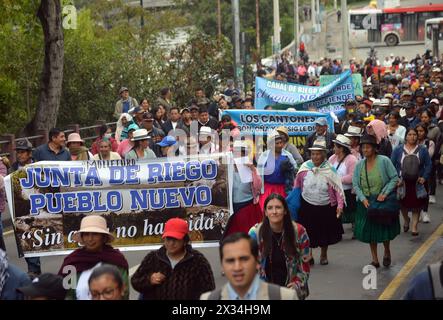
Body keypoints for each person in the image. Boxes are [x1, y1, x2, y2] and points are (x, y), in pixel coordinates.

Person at [131, 218, 215, 300]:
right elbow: (135, 281)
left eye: (175, 239)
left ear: (185, 240)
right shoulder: (153, 257)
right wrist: (149, 279)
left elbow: (209, 290)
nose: (171, 243)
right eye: (168, 239)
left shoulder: (198, 260)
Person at [200, 233, 298, 300]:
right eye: (230, 261)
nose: (237, 267)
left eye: (244, 259)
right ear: (222, 266)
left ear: (257, 261)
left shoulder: (285, 297)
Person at [248, 193, 310, 299]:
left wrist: (297, 283)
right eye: (270, 208)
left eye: (278, 207)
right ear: (266, 212)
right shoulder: (255, 233)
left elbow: (305, 263)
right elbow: (249, 265)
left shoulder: (299, 231)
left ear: (285, 211)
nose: (274, 211)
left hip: (291, 290)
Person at [352, 135, 400, 268]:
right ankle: (375, 259)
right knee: (370, 232)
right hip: (366, 203)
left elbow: (394, 178)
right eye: (363, 147)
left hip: (382, 202)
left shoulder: (384, 161)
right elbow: (355, 183)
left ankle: (387, 251)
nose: (365, 150)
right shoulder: (359, 164)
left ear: (374, 149)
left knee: (384, 230)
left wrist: (384, 193)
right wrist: (362, 198)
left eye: (368, 147)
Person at [295, 140, 345, 265]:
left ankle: (323, 254)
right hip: (307, 205)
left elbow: (338, 189)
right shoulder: (305, 168)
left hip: (325, 206)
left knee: (324, 233)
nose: (315, 157)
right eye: (313, 154)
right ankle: (309, 254)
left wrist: (340, 206)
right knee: (308, 232)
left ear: (324, 155)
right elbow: (296, 186)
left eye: (318, 154)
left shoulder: (330, 170)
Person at [58, 215, 129, 300]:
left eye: (95, 234)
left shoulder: (116, 260)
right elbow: (67, 294)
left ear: (103, 237)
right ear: (82, 237)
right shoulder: (71, 262)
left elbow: (124, 293)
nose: (90, 239)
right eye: (86, 234)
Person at [391, 128, 432, 236]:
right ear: (406, 136)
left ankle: (414, 226)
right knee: (403, 205)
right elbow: (392, 165)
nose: (412, 136)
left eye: (414, 134)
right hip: (402, 182)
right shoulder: (398, 150)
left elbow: (428, 165)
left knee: (417, 205)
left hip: (417, 182)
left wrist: (424, 177)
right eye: (409, 134)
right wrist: (396, 179)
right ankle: (406, 220)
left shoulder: (422, 150)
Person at [224, 140, 263, 237]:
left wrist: (253, 170)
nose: (237, 155)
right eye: (234, 152)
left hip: (247, 205)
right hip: (232, 207)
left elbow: (258, 187)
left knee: (248, 234)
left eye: (239, 152)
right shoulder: (226, 168)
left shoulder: (251, 168)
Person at [257, 132, 297, 211]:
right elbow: (259, 173)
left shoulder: (287, 155)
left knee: (281, 211)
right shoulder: (264, 156)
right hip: (267, 189)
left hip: (283, 189)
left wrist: (290, 168)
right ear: (271, 145)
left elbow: (295, 169)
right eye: (277, 143)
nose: (280, 145)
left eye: (281, 142)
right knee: (267, 211)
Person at [329, 135, 358, 238]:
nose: (334, 148)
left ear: (341, 148)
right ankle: (338, 232)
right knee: (336, 212)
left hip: (347, 190)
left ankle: (356, 229)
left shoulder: (352, 159)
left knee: (351, 211)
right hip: (335, 191)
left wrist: (337, 180)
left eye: (335, 146)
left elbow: (352, 176)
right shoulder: (332, 158)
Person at [420, 109, 441, 205]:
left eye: (426, 117)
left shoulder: (435, 129)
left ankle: (432, 194)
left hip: (432, 154)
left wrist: (437, 157)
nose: (424, 119)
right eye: (422, 117)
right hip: (421, 154)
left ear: (430, 118)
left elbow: (438, 143)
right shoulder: (418, 127)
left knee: (431, 174)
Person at [416, 123, 435, 223]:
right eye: (417, 131)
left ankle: (425, 211)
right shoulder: (411, 143)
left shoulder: (429, 143)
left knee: (424, 192)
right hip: (413, 171)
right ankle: (417, 212)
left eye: (421, 131)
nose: (419, 133)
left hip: (424, 171)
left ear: (425, 132)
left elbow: (430, 155)